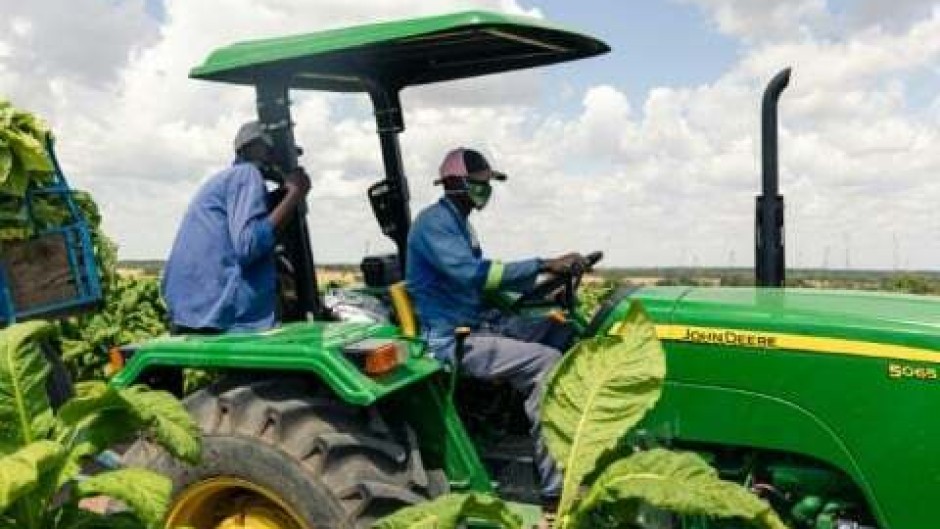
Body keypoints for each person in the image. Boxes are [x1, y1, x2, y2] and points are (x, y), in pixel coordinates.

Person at [406, 147, 585, 509]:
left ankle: (554, 437)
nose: (486, 190)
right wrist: (544, 263)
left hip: (478, 322)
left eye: (489, 184)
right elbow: (472, 274)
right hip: (450, 338)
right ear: (455, 183)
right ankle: (556, 489)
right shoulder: (433, 223)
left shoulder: (458, 222)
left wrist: (546, 279)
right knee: (546, 363)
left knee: (566, 332)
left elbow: (486, 280)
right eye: (479, 183)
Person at [162, 121, 311, 334]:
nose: (277, 158)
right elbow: (248, 245)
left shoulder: (226, 179)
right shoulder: (246, 175)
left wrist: (284, 195)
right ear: (253, 148)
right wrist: (295, 193)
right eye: (272, 150)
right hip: (218, 311)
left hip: (191, 310)